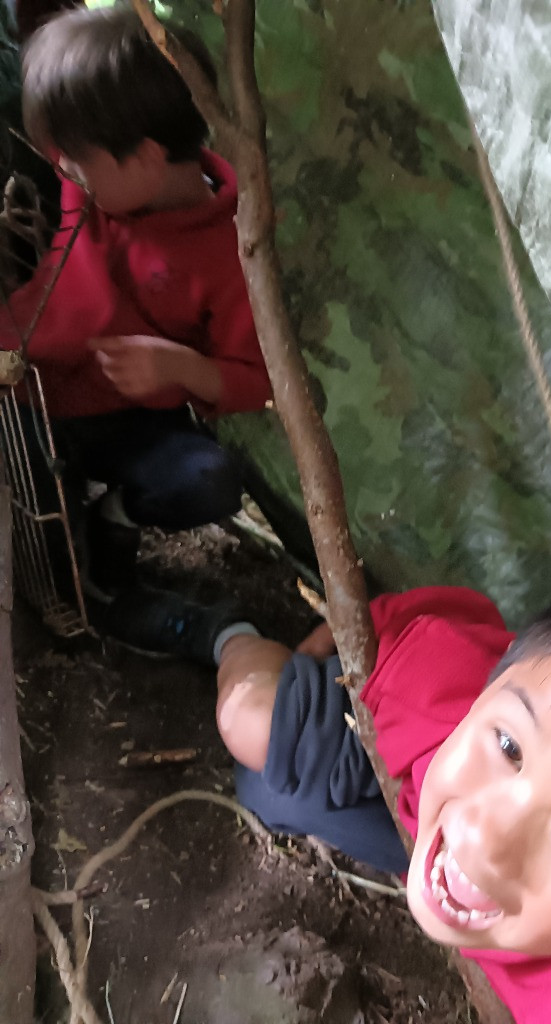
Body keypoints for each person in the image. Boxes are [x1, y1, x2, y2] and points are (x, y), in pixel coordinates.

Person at [211, 567, 551, 1023]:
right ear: (492, 688)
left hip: (445, 843)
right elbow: (399, 627)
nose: (487, 835)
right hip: (417, 784)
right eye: (508, 747)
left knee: (270, 793)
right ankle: (228, 633)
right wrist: (332, 649)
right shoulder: (437, 692)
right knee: (252, 723)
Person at [0, 5, 270, 652]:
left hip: (129, 420)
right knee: (30, 487)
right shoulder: (95, 186)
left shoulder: (231, 252)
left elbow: (253, 378)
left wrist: (181, 369)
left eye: (76, 161)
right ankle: (72, 549)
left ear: (147, 159)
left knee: (211, 479)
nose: (63, 172)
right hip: (33, 392)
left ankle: (108, 524)